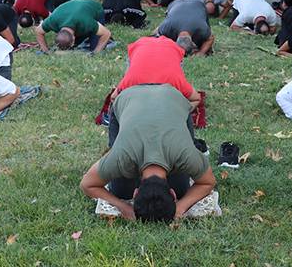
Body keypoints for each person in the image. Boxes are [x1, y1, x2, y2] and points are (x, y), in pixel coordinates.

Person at [80, 84, 216, 222]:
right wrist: (123, 206)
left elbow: (207, 182)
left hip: (173, 99)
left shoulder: (184, 154)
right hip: (129, 98)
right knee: (120, 191)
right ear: (172, 194)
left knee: (183, 190)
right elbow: (87, 184)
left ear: (136, 193)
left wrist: (181, 206)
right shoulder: (122, 156)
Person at [111, 36, 201, 108]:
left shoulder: (131, 80)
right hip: (149, 45)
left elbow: (114, 98)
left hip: (145, 45)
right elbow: (196, 99)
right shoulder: (175, 81)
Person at [35, 0, 111, 53]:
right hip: (73, 7)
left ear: (74, 38)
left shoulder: (86, 21)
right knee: (73, 47)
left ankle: (98, 35)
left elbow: (107, 33)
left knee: (95, 47)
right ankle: (89, 36)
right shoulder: (52, 21)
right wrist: (45, 50)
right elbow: (38, 31)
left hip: (94, 8)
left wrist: (95, 53)